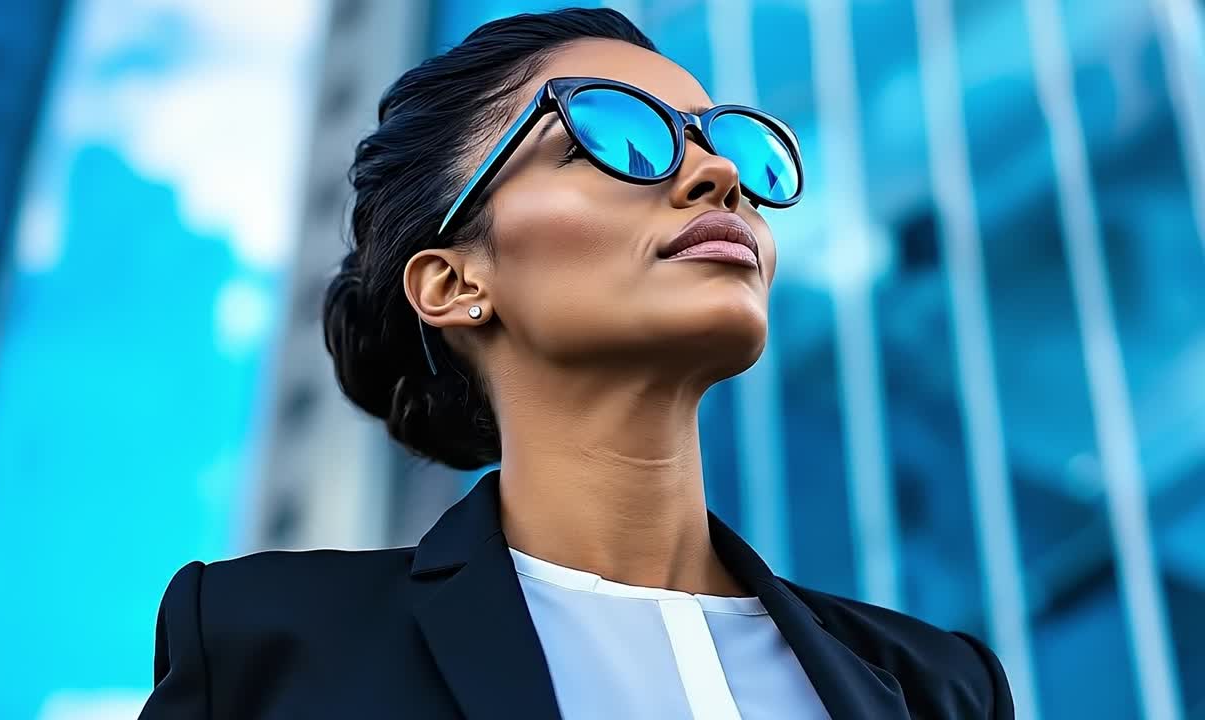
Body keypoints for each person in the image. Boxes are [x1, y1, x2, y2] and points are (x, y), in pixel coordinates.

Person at [138, 7, 1013, 719]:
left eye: (728, 145)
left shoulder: (937, 687)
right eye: (612, 136)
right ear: (454, 282)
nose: (716, 175)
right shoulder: (272, 646)